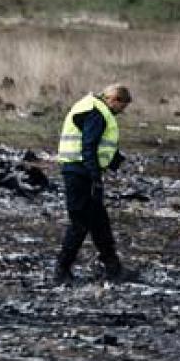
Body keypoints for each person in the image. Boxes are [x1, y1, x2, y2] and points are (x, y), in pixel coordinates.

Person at [53, 84, 132, 284]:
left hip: (81, 171)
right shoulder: (97, 112)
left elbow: (96, 144)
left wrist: (115, 161)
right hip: (80, 174)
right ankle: (61, 270)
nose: (122, 112)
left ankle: (113, 268)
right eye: (122, 107)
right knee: (80, 223)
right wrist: (95, 177)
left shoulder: (93, 107)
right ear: (114, 100)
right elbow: (89, 146)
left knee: (99, 222)